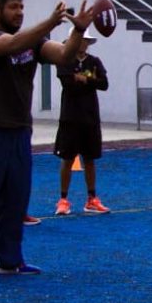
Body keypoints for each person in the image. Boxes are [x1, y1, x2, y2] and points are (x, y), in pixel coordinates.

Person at [0, 0, 97, 280]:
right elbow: (12, 45)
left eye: (21, 7)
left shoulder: (34, 40)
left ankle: (9, 260)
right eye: (12, 7)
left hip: (17, 130)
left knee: (15, 197)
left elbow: (63, 56)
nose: (19, 12)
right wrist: (51, 21)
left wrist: (78, 31)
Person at [53, 31, 110, 216]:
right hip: (70, 116)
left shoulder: (95, 61)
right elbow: (68, 83)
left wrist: (85, 79)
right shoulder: (64, 60)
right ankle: (63, 199)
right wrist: (89, 82)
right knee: (67, 158)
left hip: (90, 116)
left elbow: (104, 83)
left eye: (86, 41)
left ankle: (92, 198)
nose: (84, 43)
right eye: (82, 40)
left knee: (90, 158)